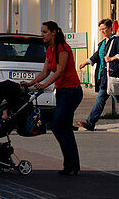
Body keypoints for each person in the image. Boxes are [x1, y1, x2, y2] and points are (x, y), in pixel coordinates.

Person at [28, 21, 83, 175]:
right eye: (41, 31)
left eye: (44, 32)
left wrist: (44, 85)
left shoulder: (62, 48)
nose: (42, 34)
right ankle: (71, 165)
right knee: (62, 127)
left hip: (72, 91)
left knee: (58, 124)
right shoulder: (50, 49)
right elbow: (45, 71)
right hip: (61, 91)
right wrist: (31, 83)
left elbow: (60, 71)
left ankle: (72, 163)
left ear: (53, 32)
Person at [78, 19, 119, 132]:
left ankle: (91, 123)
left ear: (110, 28)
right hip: (104, 76)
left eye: (104, 29)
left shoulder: (117, 41)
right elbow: (97, 56)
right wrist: (86, 63)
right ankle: (91, 123)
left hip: (112, 76)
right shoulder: (103, 43)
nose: (102, 31)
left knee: (115, 100)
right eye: (101, 29)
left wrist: (111, 58)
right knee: (107, 99)